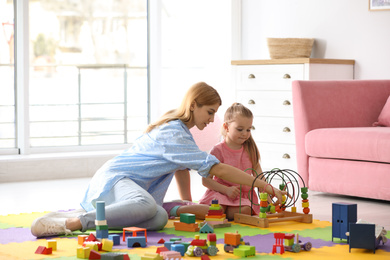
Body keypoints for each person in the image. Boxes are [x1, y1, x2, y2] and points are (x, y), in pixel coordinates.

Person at [30, 82, 286, 238]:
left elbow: (180, 168)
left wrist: (187, 200)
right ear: (194, 105)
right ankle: (73, 222)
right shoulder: (174, 132)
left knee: (158, 219)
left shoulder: (181, 134)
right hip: (117, 180)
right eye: (209, 112)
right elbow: (217, 168)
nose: (211, 119)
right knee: (145, 204)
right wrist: (265, 186)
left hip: (131, 190)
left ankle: (83, 215)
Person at [199, 103, 263, 219]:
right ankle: (177, 209)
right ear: (226, 127)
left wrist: (267, 194)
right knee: (215, 210)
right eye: (240, 129)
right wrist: (226, 190)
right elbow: (206, 181)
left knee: (245, 211)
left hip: (243, 198)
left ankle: (225, 214)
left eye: (248, 129)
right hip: (221, 193)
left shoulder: (250, 149)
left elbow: (259, 176)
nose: (245, 133)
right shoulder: (218, 150)